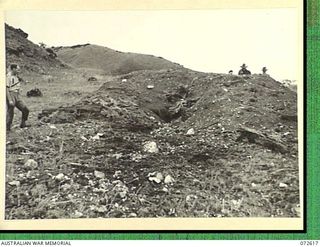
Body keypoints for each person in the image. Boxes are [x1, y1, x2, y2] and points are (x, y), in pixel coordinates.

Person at [6, 64, 30, 131]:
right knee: (10, 112)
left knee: (25, 109)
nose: (18, 70)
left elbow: (18, 80)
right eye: (17, 69)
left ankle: (23, 124)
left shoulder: (15, 75)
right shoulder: (8, 77)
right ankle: (7, 128)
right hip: (11, 94)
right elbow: (6, 89)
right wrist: (10, 99)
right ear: (13, 69)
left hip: (17, 95)